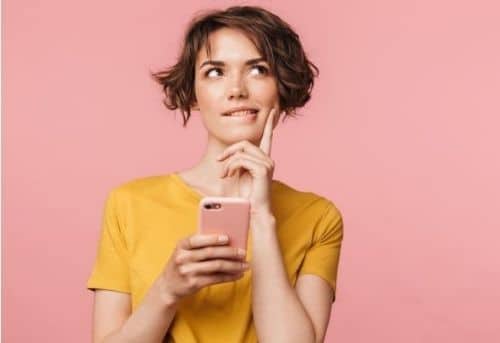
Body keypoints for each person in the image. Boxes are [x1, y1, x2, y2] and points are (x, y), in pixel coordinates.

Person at [86, 5, 343, 343]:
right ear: (193, 93)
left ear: (282, 87)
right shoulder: (130, 203)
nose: (236, 89)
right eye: (214, 72)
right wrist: (167, 290)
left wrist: (261, 218)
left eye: (258, 70)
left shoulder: (318, 218)